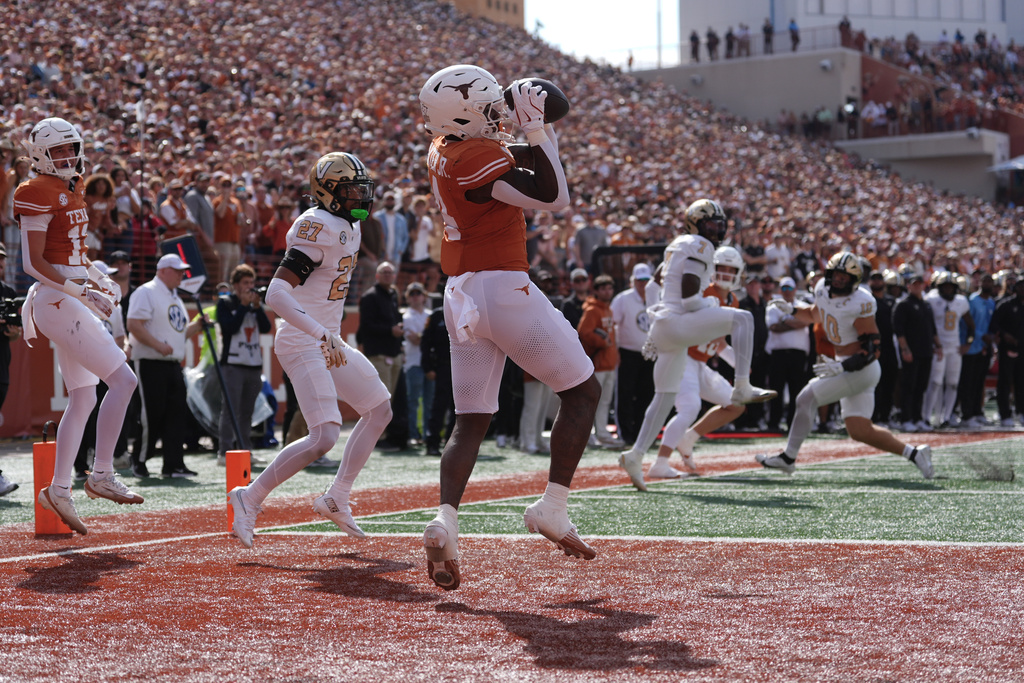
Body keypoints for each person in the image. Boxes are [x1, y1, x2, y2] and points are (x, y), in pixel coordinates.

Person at [418, 65, 601, 590]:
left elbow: (506, 157)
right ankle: (552, 506)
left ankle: (445, 519)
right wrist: (538, 130)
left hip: (460, 295)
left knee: (470, 420)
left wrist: (527, 135)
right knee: (582, 392)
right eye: (489, 105)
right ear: (465, 113)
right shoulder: (477, 158)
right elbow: (553, 195)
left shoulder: (444, 146)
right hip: (503, 289)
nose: (498, 111)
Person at [229, 151, 393, 548]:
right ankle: (248, 497)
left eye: (362, 189)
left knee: (380, 409)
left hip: (328, 339)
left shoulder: (347, 227)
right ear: (328, 193)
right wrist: (323, 333)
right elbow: (277, 293)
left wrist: (328, 335)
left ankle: (336, 496)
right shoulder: (316, 225)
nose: (361, 197)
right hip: (305, 339)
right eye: (352, 190)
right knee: (323, 436)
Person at [16, 117, 142, 534]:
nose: (68, 157)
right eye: (59, 151)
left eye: (72, 148)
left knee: (84, 397)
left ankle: (60, 488)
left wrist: (100, 278)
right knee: (124, 381)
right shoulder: (34, 191)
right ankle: (101, 472)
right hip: (56, 299)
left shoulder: (73, 185)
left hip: (68, 295)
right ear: (40, 156)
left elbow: (74, 252)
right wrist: (81, 292)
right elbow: (33, 263)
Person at [619, 199, 775, 491]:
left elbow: (653, 287)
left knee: (664, 399)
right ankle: (742, 385)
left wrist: (655, 320)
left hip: (667, 329)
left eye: (719, 224)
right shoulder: (699, 246)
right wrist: (711, 301)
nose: (715, 230)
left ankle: (636, 454)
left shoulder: (678, 245)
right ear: (695, 224)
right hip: (678, 324)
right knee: (743, 319)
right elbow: (691, 301)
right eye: (709, 224)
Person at [755, 252, 934, 479]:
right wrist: (792, 311)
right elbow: (816, 314)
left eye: (845, 277)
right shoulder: (821, 288)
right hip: (849, 367)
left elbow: (872, 348)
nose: (839, 281)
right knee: (860, 430)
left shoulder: (860, 302)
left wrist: (843, 367)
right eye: (836, 275)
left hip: (859, 369)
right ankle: (915, 453)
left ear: (855, 280)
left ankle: (788, 458)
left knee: (805, 398)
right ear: (829, 274)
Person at [647, 245, 749, 479]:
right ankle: (660, 462)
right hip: (683, 357)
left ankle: (688, 438)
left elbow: (719, 341)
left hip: (700, 364)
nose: (725, 273)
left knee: (736, 404)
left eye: (730, 269)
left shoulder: (733, 301)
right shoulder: (702, 293)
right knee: (689, 407)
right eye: (720, 267)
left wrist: (740, 365)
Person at [126, 253, 206, 478]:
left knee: (175, 414)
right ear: (163, 271)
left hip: (172, 364)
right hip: (151, 362)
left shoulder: (174, 297)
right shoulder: (146, 292)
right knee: (151, 414)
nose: (182, 274)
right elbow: (133, 324)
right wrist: (157, 345)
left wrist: (196, 326)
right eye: (178, 270)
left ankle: (173, 464)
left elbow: (177, 335)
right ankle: (139, 460)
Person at [216, 263, 272, 462]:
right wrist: (242, 306)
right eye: (245, 283)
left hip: (253, 364)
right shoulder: (225, 303)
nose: (250, 286)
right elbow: (230, 328)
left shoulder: (254, 304)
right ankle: (224, 452)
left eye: (252, 282)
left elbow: (266, 328)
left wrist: (257, 307)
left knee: (247, 411)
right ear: (236, 285)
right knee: (230, 409)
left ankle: (245, 451)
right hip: (232, 364)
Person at [357, 260, 406, 449]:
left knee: (390, 399)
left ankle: (384, 435)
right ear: (377, 276)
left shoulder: (393, 294)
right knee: (381, 400)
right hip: (378, 354)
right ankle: (376, 437)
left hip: (393, 353)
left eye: (390, 273)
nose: (387, 275)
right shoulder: (370, 297)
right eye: (384, 272)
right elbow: (367, 327)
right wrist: (389, 330)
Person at [610, 263, 656, 445]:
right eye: (639, 280)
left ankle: (641, 433)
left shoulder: (656, 298)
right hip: (627, 353)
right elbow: (612, 326)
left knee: (647, 394)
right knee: (625, 394)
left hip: (649, 355)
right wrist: (615, 351)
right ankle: (626, 433)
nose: (643, 284)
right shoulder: (622, 299)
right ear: (633, 281)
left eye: (646, 280)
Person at [922, 272, 974, 427]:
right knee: (935, 382)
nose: (947, 290)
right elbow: (926, 325)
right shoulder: (931, 300)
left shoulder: (961, 301)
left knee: (952, 383)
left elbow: (971, 325)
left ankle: (946, 417)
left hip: (955, 347)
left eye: (951, 287)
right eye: (944, 287)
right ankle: (927, 416)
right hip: (938, 348)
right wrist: (932, 344)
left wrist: (968, 344)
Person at [765, 276, 813, 432]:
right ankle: (774, 424)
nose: (786, 292)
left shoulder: (803, 306)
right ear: (780, 290)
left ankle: (794, 424)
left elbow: (807, 322)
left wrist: (785, 320)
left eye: (789, 288)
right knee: (776, 391)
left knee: (796, 391)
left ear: (795, 290)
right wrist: (795, 323)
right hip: (778, 354)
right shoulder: (773, 306)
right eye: (784, 288)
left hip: (798, 355)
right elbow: (773, 327)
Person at [578, 274, 621, 447]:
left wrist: (615, 355)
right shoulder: (592, 310)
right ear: (596, 290)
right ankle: (588, 436)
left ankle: (602, 433)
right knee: (592, 402)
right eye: (603, 288)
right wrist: (602, 342)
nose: (607, 291)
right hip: (597, 362)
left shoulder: (608, 309)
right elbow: (583, 332)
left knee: (604, 402)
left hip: (609, 362)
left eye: (609, 288)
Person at [893, 272, 938, 432]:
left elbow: (932, 329)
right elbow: (899, 331)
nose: (917, 286)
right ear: (909, 286)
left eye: (920, 284)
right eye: (914, 284)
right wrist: (905, 349)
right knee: (908, 386)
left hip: (926, 351)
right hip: (912, 352)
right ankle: (906, 418)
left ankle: (917, 417)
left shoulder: (926, 305)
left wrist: (938, 347)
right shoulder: (903, 305)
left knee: (921, 387)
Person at [960, 274, 997, 426]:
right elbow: (967, 324)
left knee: (979, 380)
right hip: (972, 346)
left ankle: (977, 411)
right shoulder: (973, 301)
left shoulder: (992, 302)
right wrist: (981, 336)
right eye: (985, 281)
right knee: (968, 381)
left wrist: (991, 338)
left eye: (990, 281)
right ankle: (967, 414)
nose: (987, 283)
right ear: (980, 283)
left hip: (984, 347)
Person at [0, 242, 21, 496]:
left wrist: (12, 332)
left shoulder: (7, 291)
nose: (1, 263)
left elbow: (13, 335)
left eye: (3, 258)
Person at [402, 281, 433, 446]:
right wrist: (426, 337)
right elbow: (414, 340)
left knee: (428, 401)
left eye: (418, 293)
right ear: (408, 298)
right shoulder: (406, 317)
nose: (415, 297)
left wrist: (423, 337)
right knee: (413, 400)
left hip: (427, 362)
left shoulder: (429, 315)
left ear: (424, 296)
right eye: (412, 294)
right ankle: (414, 433)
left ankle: (428, 433)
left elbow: (421, 338)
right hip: (414, 362)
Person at [991, 277, 1024, 426]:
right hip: (1007, 349)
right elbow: (994, 324)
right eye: (1021, 286)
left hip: (1022, 349)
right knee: (1005, 381)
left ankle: (1021, 412)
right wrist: (1005, 335)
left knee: (1021, 382)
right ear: (1015, 288)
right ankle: (1005, 414)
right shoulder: (1006, 305)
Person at [374, 192, 408, 267]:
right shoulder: (377, 216)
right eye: (387, 199)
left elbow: (405, 236)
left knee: (393, 277)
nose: (390, 202)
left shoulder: (401, 219)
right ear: (383, 201)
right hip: (381, 254)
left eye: (391, 200)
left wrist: (401, 250)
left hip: (396, 255)